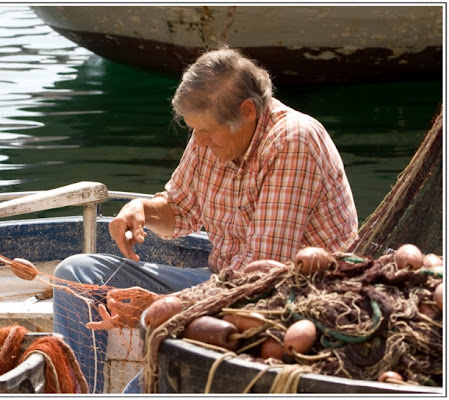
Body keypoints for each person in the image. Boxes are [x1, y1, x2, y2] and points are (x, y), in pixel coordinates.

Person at [52, 46, 358, 393]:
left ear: (248, 111)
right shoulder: (210, 135)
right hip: (222, 280)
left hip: (283, 301)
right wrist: (142, 210)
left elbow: (261, 277)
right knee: (75, 274)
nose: (197, 140)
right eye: (193, 129)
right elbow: (180, 211)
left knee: (159, 368)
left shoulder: (293, 141)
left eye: (207, 131)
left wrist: (163, 307)